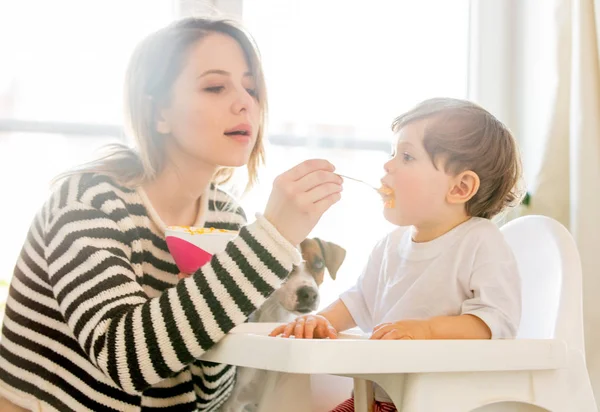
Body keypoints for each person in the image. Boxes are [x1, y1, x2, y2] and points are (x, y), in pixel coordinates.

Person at [0, 17, 343, 411]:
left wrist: (212, 304)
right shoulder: (88, 201)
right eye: (215, 87)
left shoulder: (227, 218)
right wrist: (274, 235)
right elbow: (124, 361)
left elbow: (208, 396)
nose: (245, 102)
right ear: (158, 112)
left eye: (251, 88)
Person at [270, 97, 524, 412]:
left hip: (446, 403)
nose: (388, 165)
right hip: (375, 398)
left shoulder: (481, 242)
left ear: (460, 188)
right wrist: (319, 321)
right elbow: (359, 301)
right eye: (393, 154)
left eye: (406, 156)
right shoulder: (390, 245)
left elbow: (494, 321)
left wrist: (426, 331)